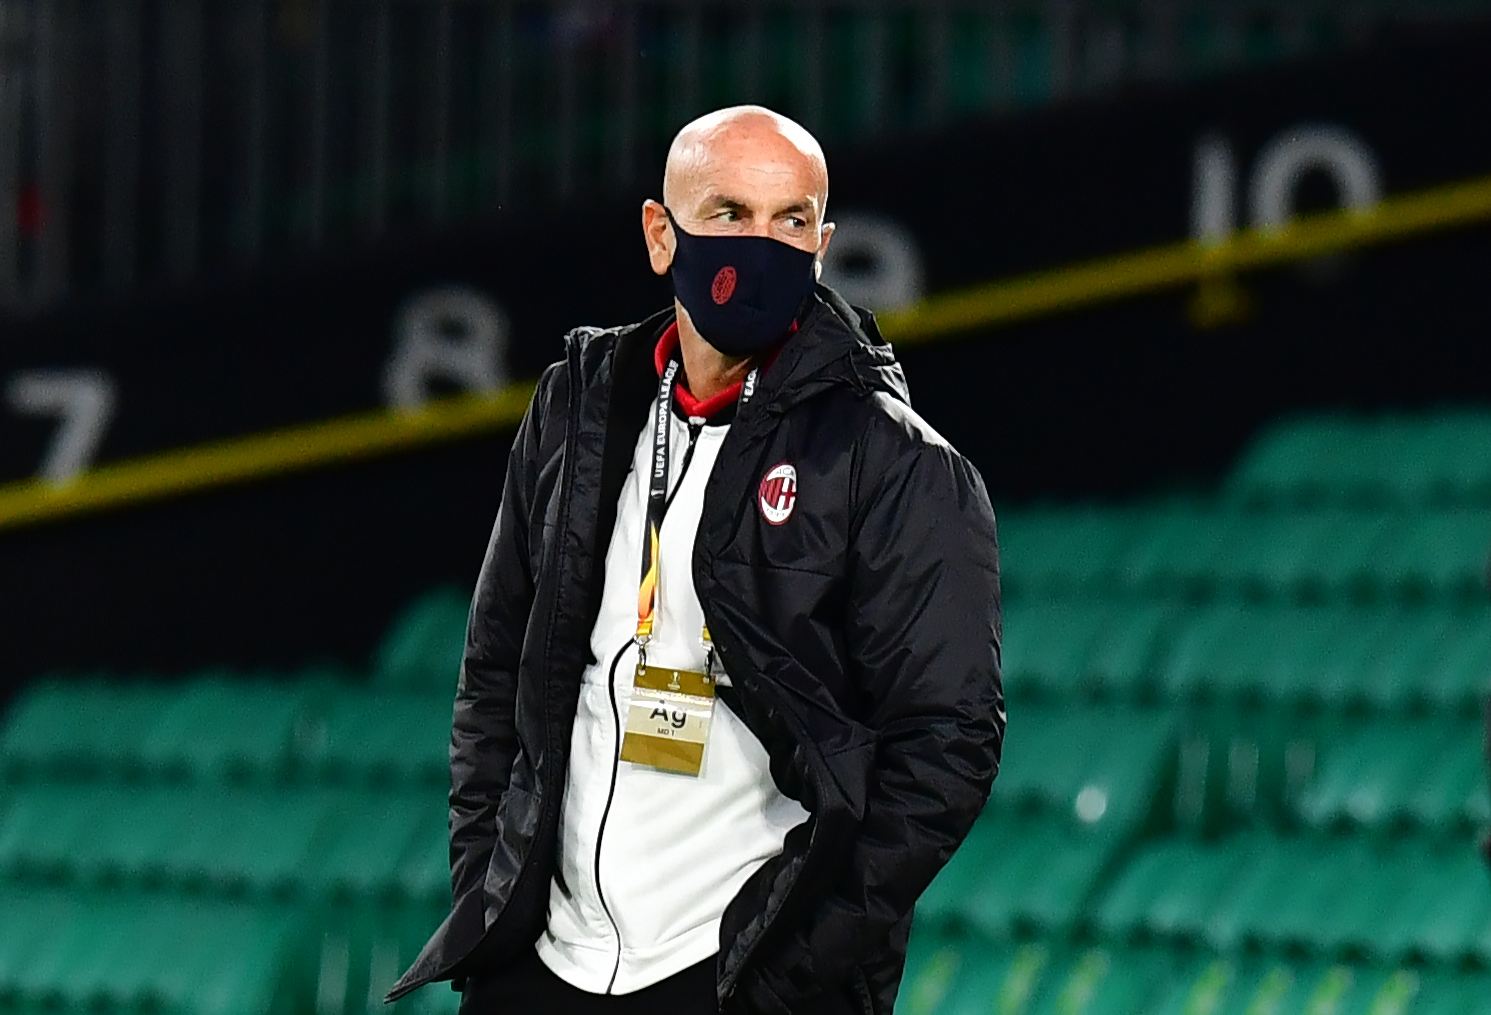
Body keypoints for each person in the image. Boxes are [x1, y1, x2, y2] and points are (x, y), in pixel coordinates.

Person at [386, 105, 1004, 1015]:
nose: (761, 245)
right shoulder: (578, 410)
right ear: (659, 235)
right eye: (727, 214)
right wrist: (491, 889)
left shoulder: (896, 462)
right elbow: (495, 672)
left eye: (790, 221)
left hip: (730, 972)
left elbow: (947, 747)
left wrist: (789, 971)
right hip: (546, 966)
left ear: (822, 244)